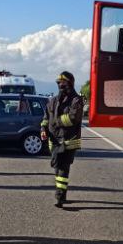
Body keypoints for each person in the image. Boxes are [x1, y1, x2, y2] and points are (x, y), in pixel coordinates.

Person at [40, 71, 83, 208]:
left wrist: (56, 122)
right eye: (58, 83)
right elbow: (46, 117)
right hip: (54, 140)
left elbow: (73, 118)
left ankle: (59, 196)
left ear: (70, 83)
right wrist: (43, 129)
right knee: (58, 168)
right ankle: (62, 194)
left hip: (68, 139)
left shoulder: (77, 100)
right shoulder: (53, 100)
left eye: (63, 82)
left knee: (63, 168)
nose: (60, 85)